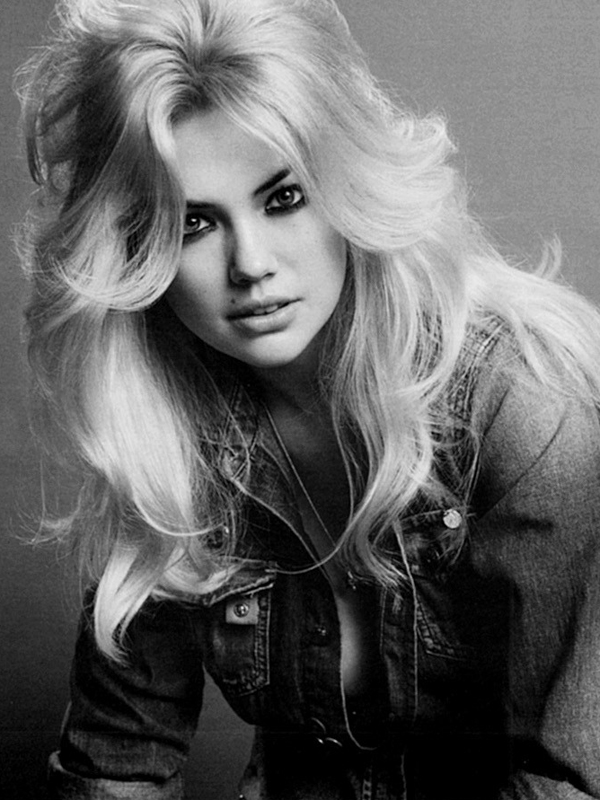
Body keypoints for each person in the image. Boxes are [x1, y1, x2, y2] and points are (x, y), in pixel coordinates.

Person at [16, 0, 600, 797]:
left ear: (347, 186)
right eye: (193, 223)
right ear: (134, 250)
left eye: (283, 198)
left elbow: (567, 783)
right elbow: (117, 763)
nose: (251, 264)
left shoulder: (524, 411)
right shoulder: (167, 440)